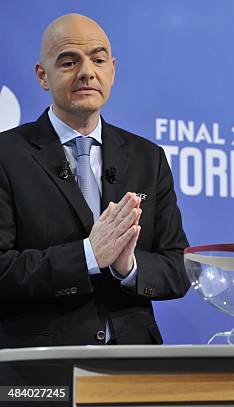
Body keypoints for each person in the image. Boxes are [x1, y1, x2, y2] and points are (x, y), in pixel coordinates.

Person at [0, 13, 189, 348]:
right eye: (69, 62)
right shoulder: (7, 154)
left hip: (133, 364)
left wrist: (127, 265)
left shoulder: (148, 157)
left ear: (112, 70)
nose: (87, 71)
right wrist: (88, 255)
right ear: (43, 76)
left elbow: (177, 268)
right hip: (39, 364)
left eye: (98, 60)